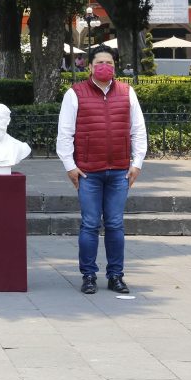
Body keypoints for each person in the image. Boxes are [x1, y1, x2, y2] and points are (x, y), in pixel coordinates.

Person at [56, 46, 147, 295]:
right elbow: (64, 134)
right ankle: (88, 275)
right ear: (90, 67)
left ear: (115, 67)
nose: (105, 66)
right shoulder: (75, 94)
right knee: (90, 224)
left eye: (109, 62)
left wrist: (137, 163)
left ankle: (116, 275)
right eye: (100, 62)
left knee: (116, 224)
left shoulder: (127, 93)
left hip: (119, 171)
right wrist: (70, 166)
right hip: (88, 172)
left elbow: (138, 130)